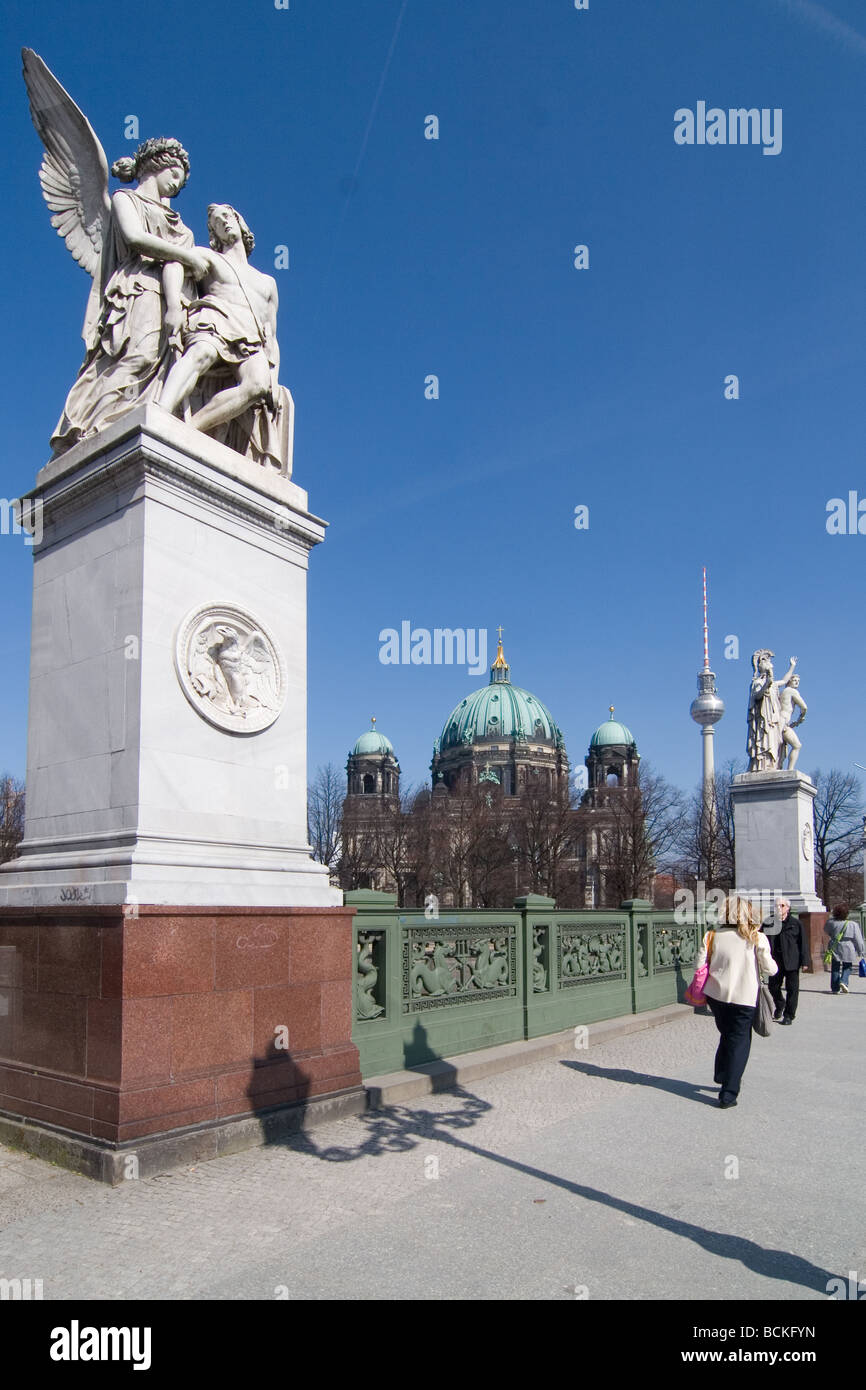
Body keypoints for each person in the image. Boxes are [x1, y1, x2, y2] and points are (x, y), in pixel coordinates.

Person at [51, 137, 209, 453]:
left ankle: (125, 421)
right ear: (158, 164)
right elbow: (135, 238)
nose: (177, 185)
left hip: (172, 297)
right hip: (137, 288)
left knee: (160, 369)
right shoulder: (126, 199)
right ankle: (92, 424)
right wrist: (186, 255)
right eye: (175, 174)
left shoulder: (181, 225)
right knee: (139, 356)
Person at [158, 203, 286, 469]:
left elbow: (271, 336)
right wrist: (172, 305)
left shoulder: (267, 282)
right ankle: (159, 414)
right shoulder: (209, 256)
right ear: (214, 234)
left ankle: (193, 427)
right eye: (217, 222)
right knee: (201, 353)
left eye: (228, 217)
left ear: (240, 222)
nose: (224, 222)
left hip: (251, 339)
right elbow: (174, 263)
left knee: (258, 385)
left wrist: (274, 374)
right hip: (216, 318)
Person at [693, 896, 777, 1108]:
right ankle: (728, 1093)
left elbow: (698, 964)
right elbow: (771, 969)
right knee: (740, 1041)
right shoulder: (756, 938)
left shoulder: (712, 935)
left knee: (727, 1033)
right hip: (745, 996)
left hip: (717, 995)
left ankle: (722, 1073)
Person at [761, 897, 809, 1024]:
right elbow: (760, 939)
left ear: (787, 908)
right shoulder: (768, 922)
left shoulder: (795, 923)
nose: (778, 908)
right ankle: (780, 1004)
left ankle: (789, 1015)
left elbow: (803, 943)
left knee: (792, 989)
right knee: (773, 987)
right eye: (776, 905)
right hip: (775, 961)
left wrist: (805, 962)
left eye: (781, 905)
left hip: (792, 960)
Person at [824, 904, 865, 996]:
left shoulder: (831, 922)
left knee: (835, 967)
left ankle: (835, 988)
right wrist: (861, 951)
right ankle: (844, 981)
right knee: (847, 966)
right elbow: (858, 939)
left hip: (834, 945)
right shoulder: (853, 924)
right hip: (848, 946)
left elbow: (826, 930)